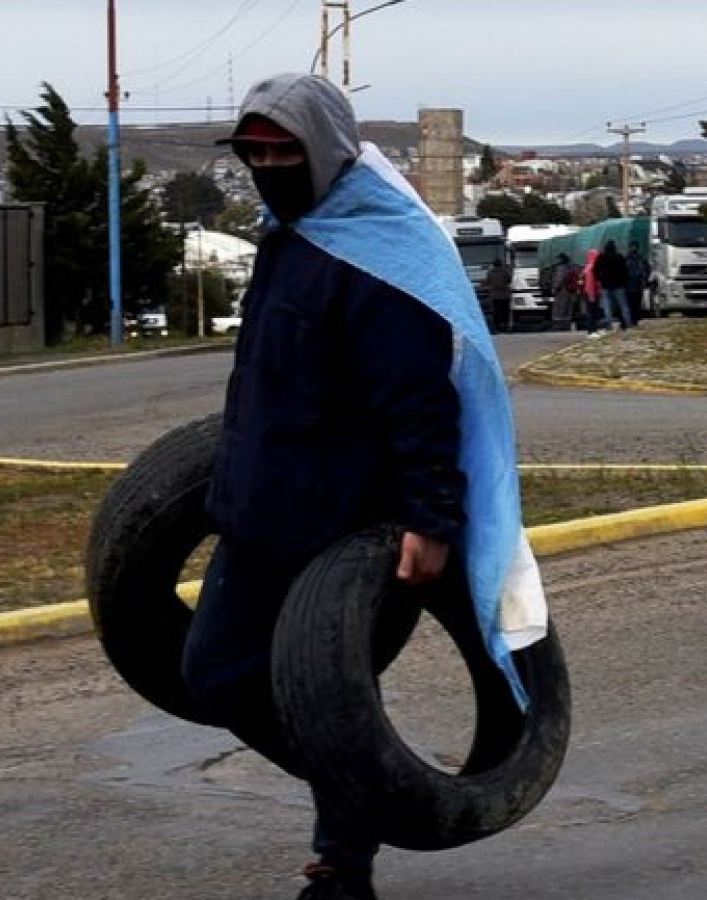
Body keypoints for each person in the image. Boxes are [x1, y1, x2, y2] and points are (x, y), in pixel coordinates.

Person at [186, 73, 547, 900]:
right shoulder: (294, 229)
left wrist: (429, 518)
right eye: (255, 152)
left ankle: (342, 864)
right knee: (217, 674)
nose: (268, 165)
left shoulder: (381, 257)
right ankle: (370, 794)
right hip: (257, 512)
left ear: (329, 152)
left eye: (284, 150)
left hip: (342, 524)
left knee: (329, 691)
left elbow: (418, 399)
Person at [594, 239, 633, 331]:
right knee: (623, 305)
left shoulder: (601, 257)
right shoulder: (619, 257)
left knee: (607, 307)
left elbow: (595, 271)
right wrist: (624, 282)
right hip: (618, 286)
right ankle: (628, 324)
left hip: (606, 286)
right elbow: (625, 271)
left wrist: (601, 279)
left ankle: (609, 326)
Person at [480, 256, 513, 333]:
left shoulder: (490, 272)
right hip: (505, 295)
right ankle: (505, 327)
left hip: (495, 295)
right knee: (505, 312)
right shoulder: (505, 271)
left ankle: (497, 328)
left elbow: (487, 282)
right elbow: (509, 279)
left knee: (496, 313)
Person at [547, 252, 576, 331]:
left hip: (562, 291)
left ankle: (558, 326)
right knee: (568, 308)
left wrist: (554, 288)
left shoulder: (561, 267)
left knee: (559, 308)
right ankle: (567, 325)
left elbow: (559, 279)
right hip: (570, 290)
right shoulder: (571, 266)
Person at [625, 240, 650, 322]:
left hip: (637, 284)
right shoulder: (628, 258)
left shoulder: (640, 259)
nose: (633, 248)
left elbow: (647, 270)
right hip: (630, 283)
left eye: (635, 246)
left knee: (636, 302)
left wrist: (645, 279)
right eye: (632, 246)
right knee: (632, 302)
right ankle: (633, 318)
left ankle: (635, 319)